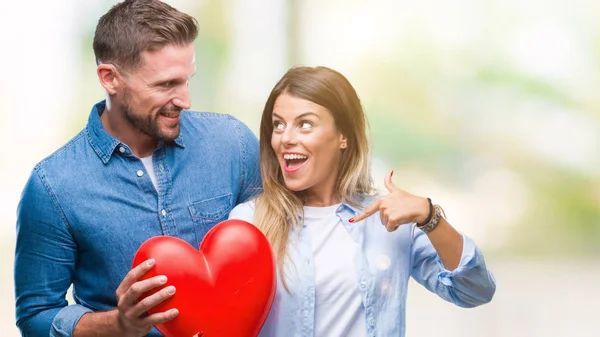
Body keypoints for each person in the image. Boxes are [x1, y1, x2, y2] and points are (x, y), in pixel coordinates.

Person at [14, 1, 261, 336]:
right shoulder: (53, 186)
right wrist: (118, 324)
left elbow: (294, 235)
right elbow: (36, 315)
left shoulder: (233, 144)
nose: (185, 100)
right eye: (165, 85)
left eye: (187, 80)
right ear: (110, 78)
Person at [229, 66, 496, 336]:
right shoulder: (248, 222)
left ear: (343, 136)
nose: (285, 138)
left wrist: (430, 218)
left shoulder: (390, 221)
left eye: (305, 124)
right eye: (278, 124)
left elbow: (474, 290)